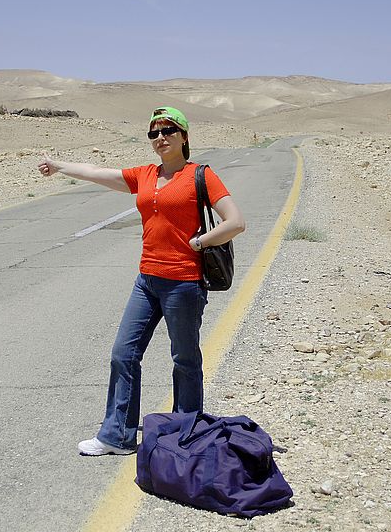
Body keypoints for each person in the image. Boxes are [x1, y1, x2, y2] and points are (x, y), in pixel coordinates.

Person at [38, 107, 246, 456]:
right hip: (147, 280)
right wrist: (59, 166)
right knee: (123, 353)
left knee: (184, 359)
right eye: (153, 133)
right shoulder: (145, 175)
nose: (160, 137)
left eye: (168, 130)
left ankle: (186, 433)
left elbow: (236, 221)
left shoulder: (201, 175)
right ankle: (117, 436)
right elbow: (96, 172)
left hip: (184, 283)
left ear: (184, 136)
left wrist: (199, 242)